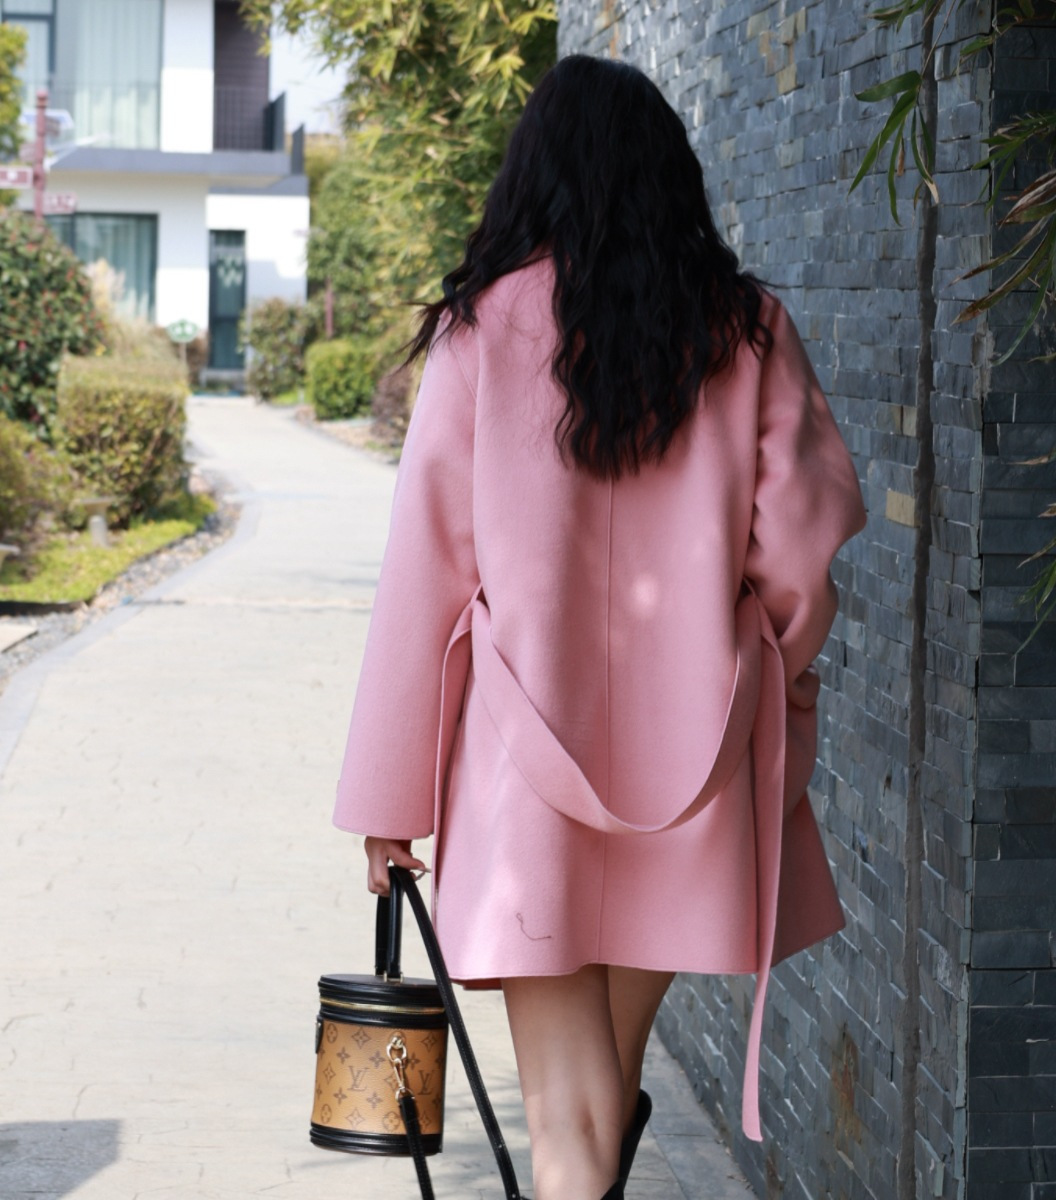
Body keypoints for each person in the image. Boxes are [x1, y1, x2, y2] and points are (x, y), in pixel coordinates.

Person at [333, 53, 866, 1200]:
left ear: (534, 177)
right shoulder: (748, 331)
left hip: (525, 784)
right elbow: (803, 554)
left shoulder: (480, 336)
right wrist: (759, 678)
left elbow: (423, 582)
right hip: (699, 772)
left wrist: (388, 804)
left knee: (573, 1130)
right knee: (605, 1098)